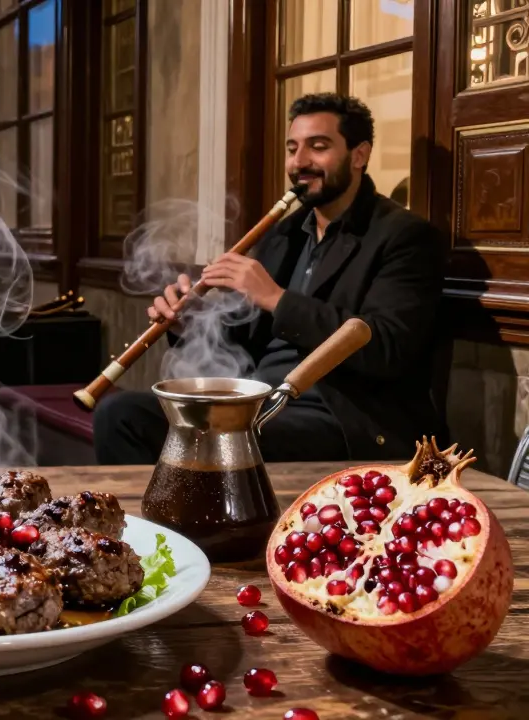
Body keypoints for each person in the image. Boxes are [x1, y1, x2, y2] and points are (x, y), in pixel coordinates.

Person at [93, 93, 448, 465]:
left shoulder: (404, 237)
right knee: (121, 415)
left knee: (226, 440)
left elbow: (387, 349)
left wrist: (278, 299)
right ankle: (152, 525)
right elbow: (242, 347)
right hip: (260, 405)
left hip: (340, 420)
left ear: (359, 155)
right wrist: (191, 323)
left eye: (319, 147)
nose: (299, 162)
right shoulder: (285, 234)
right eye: (292, 148)